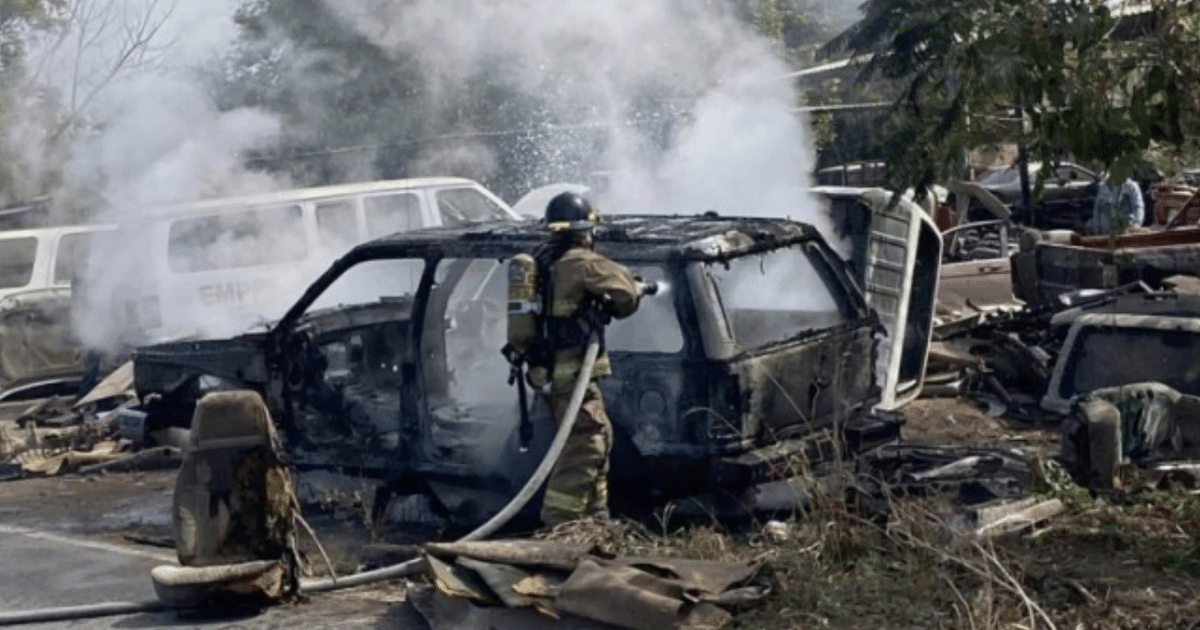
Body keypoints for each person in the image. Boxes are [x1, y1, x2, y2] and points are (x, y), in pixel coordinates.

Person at [525, 191, 647, 526]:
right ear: (584, 231)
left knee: (598, 437)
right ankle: (560, 525)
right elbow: (624, 290)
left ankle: (595, 521)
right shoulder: (583, 263)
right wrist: (632, 292)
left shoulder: (543, 262)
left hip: (549, 375)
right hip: (572, 376)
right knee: (587, 445)